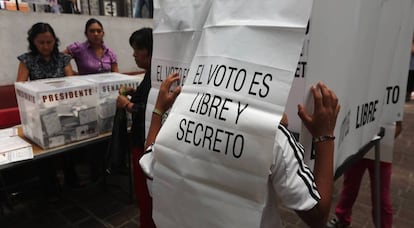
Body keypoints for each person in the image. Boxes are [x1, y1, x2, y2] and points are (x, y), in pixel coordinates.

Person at [141, 73, 340, 227]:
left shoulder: (176, 122)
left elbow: (150, 162)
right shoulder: (272, 136)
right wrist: (325, 136)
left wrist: (158, 111)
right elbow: (317, 214)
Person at [16, 22, 78, 196]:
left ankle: (71, 178)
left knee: (68, 146)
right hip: (39, 112)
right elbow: (20, 88)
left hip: (63, 109)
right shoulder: (26, 60)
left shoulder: (63, 59)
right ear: (33, 42)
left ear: (55, 41)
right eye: (41, 42)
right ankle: (50, 185)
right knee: (45, 151)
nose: (45, 46)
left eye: (49, 42)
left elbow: (72, 84)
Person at [327, 121, 402, 228]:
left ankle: (384, 225)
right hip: (359, 149)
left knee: (381, 197)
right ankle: (342, 218)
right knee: (349, 188)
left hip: (381, 152)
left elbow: (398, 125)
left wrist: (385, 140)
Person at [116, 28, 155, 228]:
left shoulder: (154, 77)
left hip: (144, 142)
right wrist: (134, 91)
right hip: (148, 142)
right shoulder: (152, 74)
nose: (133, 54)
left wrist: (126, 104)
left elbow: (149, 110)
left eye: (136, 49)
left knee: (145, 194)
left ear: (148, 51)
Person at [406, 36, 414, 102]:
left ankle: (408, 95)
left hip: (411, 67)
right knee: (409, 82)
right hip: (410, 67)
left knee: (410, 82)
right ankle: (407, 95)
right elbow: (412, 50)